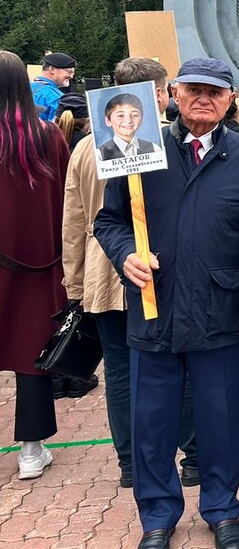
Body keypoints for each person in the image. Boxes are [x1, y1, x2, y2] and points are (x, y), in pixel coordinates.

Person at [94, 56, 239, 549]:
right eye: (193, 89)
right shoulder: (136, 147)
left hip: (221, 309)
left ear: (231, 99)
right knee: (152, 423)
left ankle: (221, 508)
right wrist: (125, 252)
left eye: (215, 92)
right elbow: (109, 221)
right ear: (172, 92)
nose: (204, 100)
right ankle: (157, 516)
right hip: (153, 308)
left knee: (220, 421)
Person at [62, 58, 203, 489]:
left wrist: (73, 281)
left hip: (102, 275)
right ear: (161, 93)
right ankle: (190, 453)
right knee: (170, 365)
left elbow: (72, 216)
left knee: (122, 372)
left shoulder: (86, 144)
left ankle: (131, 459)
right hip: (141, 270)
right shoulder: (160, 140)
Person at [0, 50, 71, 480]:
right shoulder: (46, 136)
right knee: (32, 356)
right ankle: (30, 450)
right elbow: (69, 199)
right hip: (39, 263)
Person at [96, 93, 164, 161]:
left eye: (134, 115)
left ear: (141, 119)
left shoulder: (154, 149)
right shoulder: (100, 154)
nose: (128, 121)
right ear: (108, 121)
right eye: (120, 116)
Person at [30, 51, 76, 121]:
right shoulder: (56, 98)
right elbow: (57, 129)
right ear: (52, 69)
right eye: (69, 72)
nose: (71, 76)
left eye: (73, 72)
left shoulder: (22, 88)